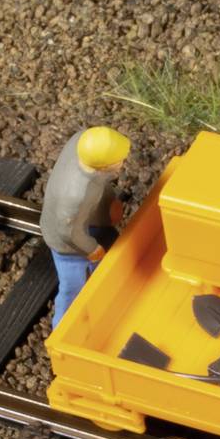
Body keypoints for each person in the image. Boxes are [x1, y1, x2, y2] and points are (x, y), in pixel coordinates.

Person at [40, 125, 131, 330]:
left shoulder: (82, 141)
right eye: (119, 162)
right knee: (73, 286)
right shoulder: (77, 195)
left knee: (102, 262)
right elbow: (68, 232)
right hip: (69, 245)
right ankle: (61, 326)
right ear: (102, 167)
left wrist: (108, 205)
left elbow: (101, 186)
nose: (122, 164)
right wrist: (92, 249)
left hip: (84, 221)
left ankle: (103, 293)